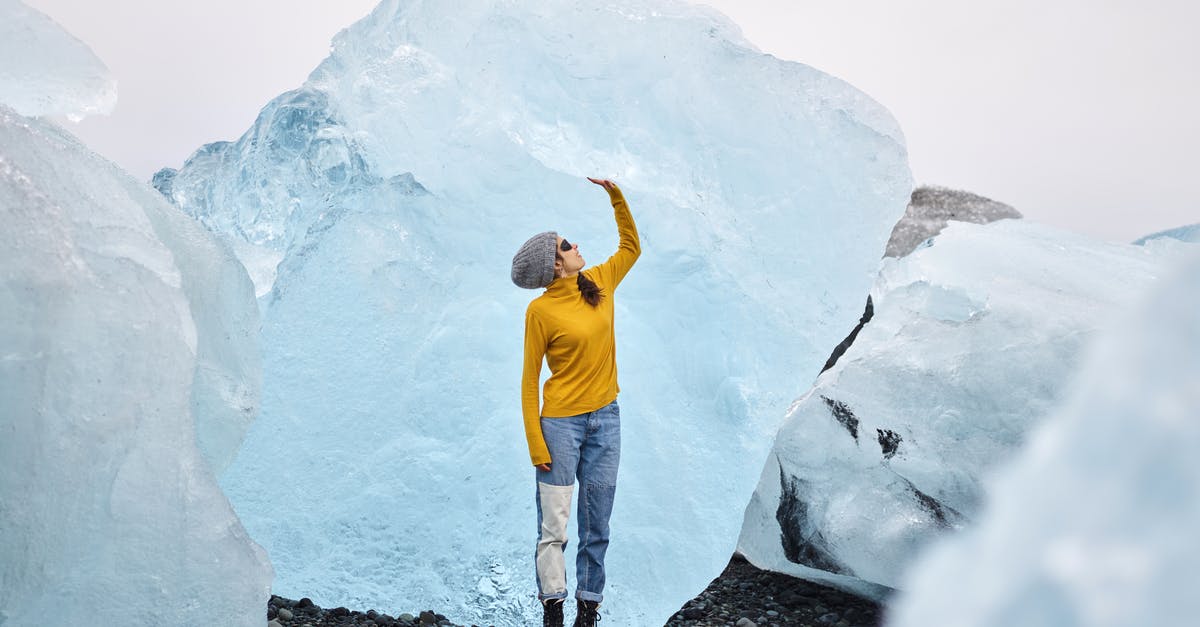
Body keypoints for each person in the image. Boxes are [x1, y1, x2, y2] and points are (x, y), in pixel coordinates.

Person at [510, 177, 640, 627]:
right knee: (555, 527)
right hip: (560, 426)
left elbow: (631, 247)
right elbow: (530, 382)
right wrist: (536, 444)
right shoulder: (540, 311)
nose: (575, 245)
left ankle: (589, 608)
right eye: (566, 245)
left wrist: (616, 197)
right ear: (555, 265)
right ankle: (553, 608)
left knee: (597, 522)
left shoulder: (598, 281)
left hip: (607, 418)